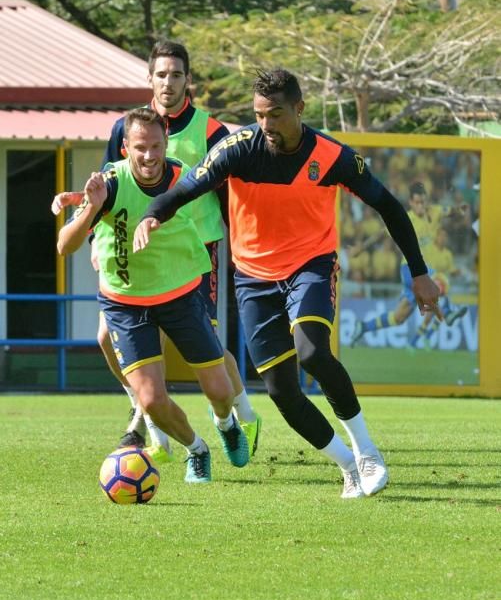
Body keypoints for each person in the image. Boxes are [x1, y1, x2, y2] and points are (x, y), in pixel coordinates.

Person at [132, 68, 442, 499]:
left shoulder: (332, 156)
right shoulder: (237, 150)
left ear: (299, 108)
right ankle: (349, 466)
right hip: (253, 279)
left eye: (276, 114)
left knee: (313, 351)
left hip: (310, 266)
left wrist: (419, 271)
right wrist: (153, 213)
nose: (267, 125)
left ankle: (368, 451)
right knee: (281, 390)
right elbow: (187, 187)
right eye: (259, 115)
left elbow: (388, 206)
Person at [52, 39, 261, 461]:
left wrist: (239, 248)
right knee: (107, 336)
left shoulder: (212, 131)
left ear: (189, 81)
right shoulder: (126, 128)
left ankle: (242, 414)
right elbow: (108, 187)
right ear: (149, 79)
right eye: (161, 74)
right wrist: (95, 240)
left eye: (177, 74)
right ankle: (150, 419)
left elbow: (227, 195)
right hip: (132, 259)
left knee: (208, 352)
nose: (168, 82)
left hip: (194, 252)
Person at [350, 181, 468, 347]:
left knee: (399, 317)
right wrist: (361, 247)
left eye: (423, 202)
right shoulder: (405, 218)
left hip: (423, 273)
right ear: (411, 202)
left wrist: (459, 210)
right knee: (440, 278)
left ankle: (362, 327)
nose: (421, 206)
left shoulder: (434, 212)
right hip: (409, 269)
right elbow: (382, 234)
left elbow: (450, 212)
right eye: (417, 202)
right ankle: (448, 313)